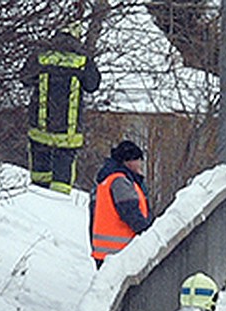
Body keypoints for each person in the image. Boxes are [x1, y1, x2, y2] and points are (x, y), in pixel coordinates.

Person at [21, 22, 100, 194]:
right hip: (68, 130)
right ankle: (59, 208)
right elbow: (93, 85)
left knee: (39, 177)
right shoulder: (82, 59)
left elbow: (25, 78)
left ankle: (37, 202)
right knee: (62, 183)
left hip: (40, 126)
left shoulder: (41, 54)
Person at [90, 140, 151, 266]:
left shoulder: (106, 180)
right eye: (139, 160)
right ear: (129, 161)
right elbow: (130, 213)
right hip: (120, 250)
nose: (140, 165)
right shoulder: (120, 182)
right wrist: (149, 234)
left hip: (104, 250)